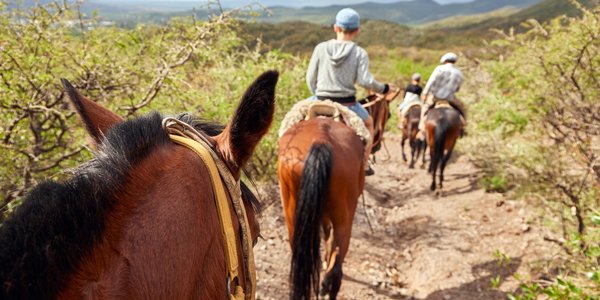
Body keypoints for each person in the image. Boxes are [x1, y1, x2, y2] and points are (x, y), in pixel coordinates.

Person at [306, 8, 393, 176]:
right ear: (357, 31)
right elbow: (365, 81)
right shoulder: (359, 52)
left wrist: (316, 96)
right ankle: (365, 163)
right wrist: (383, 88)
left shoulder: (320, 48)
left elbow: (310, 79)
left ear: (335, 28)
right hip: (348, 104)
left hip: (320, 101)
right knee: (369, 124)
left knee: (290, 123)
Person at [419, 52, 466, 132]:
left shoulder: (439, 69)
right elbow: (457, 88)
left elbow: (431, 82)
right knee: (463, 109)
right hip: (450, 98)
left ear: (444, 60)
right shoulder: (459, 73)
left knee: (425, 108)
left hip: (435, 97)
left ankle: (422, 126)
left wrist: (425, 93)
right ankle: (463, 128)